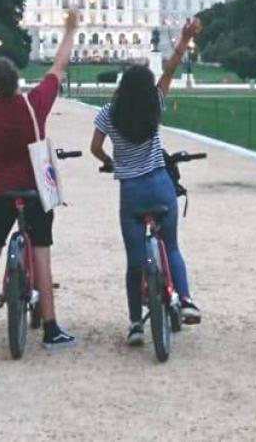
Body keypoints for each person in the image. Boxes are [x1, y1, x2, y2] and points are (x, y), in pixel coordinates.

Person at [0, 8, 83, 349]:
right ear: (16, 78)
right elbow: (58, 67)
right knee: (41, 252)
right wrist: (70, 30)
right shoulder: (34, 103)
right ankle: (52, 326)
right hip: (35, 190)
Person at [90, 18, 203, 346]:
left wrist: (111, 162)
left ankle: (135, 323)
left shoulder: (108, 113)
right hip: (159, 184)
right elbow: (169, 71)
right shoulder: (154, 104)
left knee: (135, 260)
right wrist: (183, 40)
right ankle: (185, 299)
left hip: (132, 191)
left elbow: (95, 148)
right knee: (171, 246)